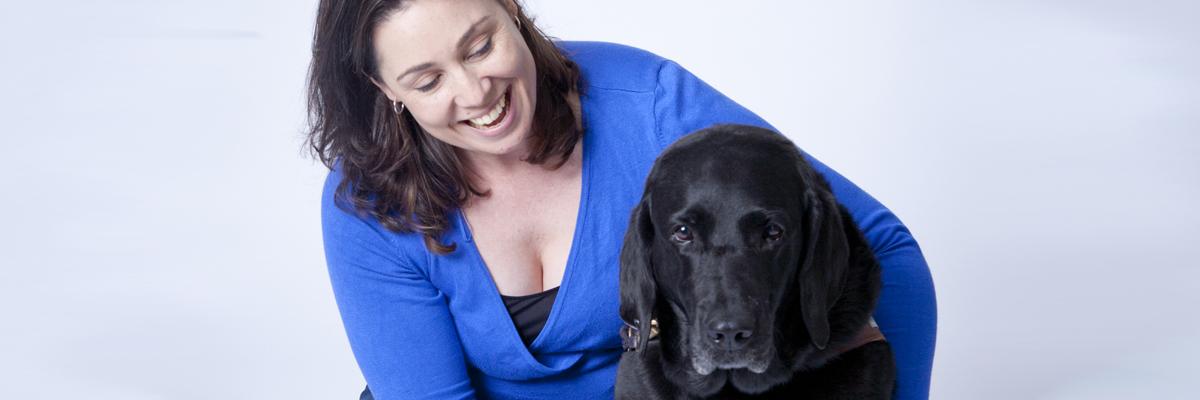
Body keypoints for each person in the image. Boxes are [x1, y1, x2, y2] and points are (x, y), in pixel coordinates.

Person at [306, 0, 937, 399]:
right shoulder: (367, 201)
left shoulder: (653, 108)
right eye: (428, 79)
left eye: (480, 45)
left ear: (511, 8)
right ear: (383, 87)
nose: (476, 92)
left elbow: (882, 245)